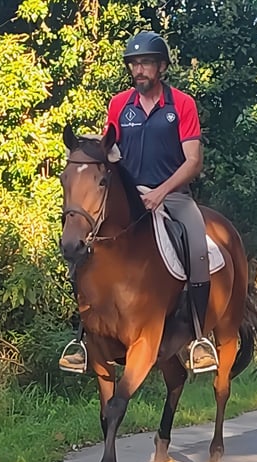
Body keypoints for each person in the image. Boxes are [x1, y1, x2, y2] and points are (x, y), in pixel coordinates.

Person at [59, 31, 217, 373]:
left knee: (197, 246)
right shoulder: (118, 105)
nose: (139, 70)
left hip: (173, 196)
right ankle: (83, 339)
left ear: (161, 67)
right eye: (134, 64)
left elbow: (193, 161)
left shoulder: (182, 105)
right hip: (129, 200)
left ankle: (200, 339)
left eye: (145, 63)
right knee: (82, 246)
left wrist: (160, 192)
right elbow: (110, 152)